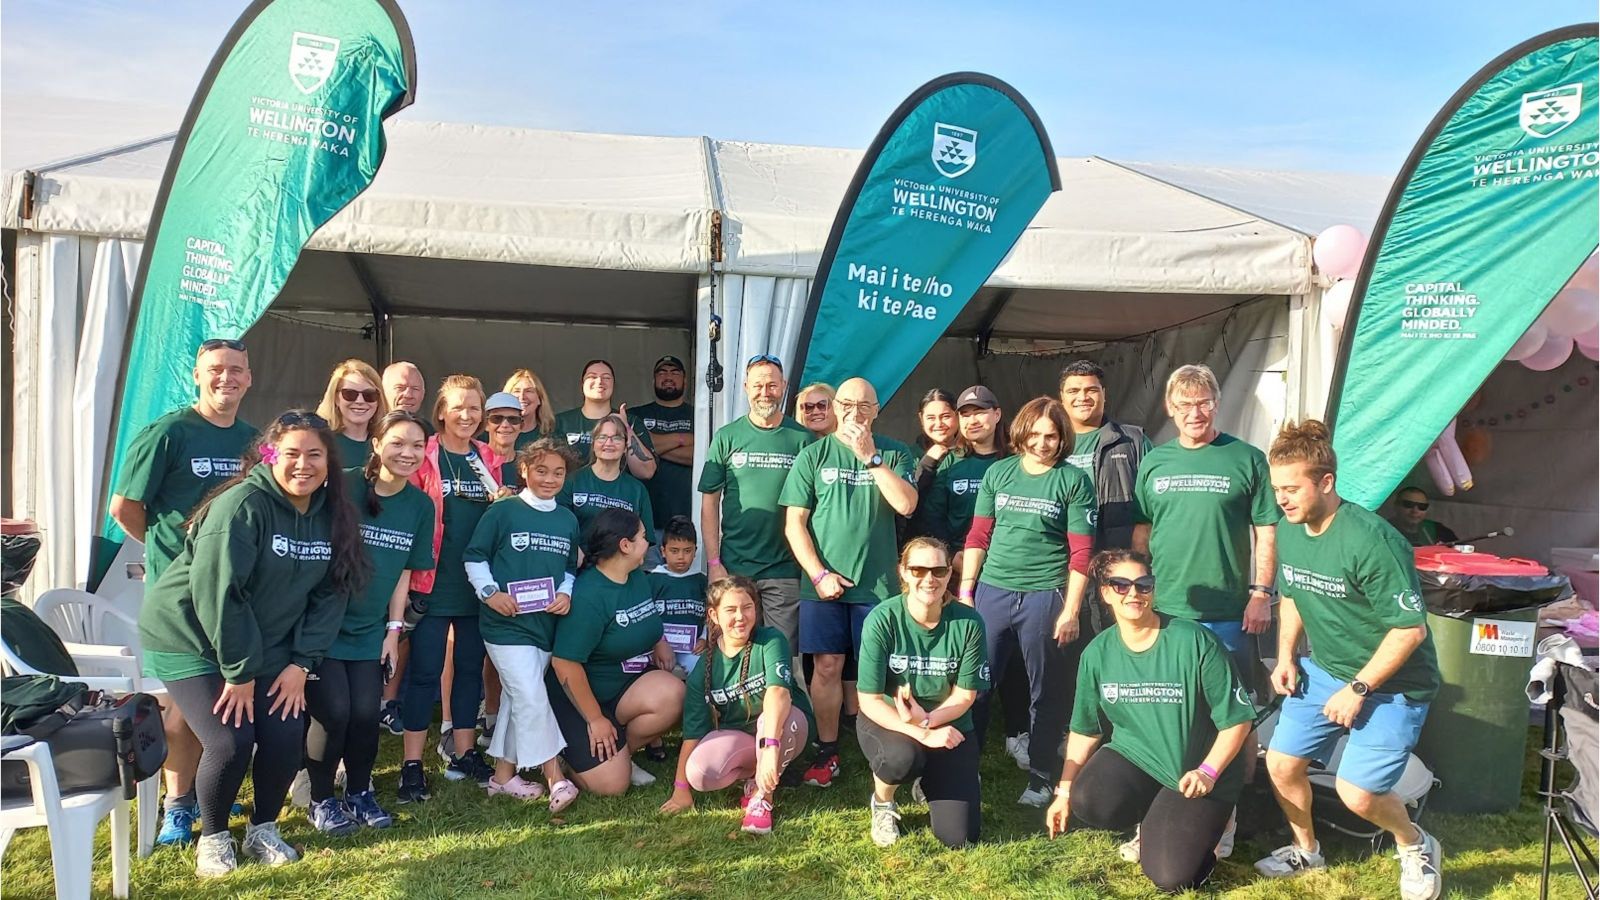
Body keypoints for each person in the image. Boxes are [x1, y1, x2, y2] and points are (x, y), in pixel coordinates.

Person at [136, 410, 369, 877]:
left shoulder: (331, 514)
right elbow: (219, 594)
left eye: (315, 455)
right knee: (229, 739)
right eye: (291, 454)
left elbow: (332, 593)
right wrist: (240, 673)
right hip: (192, 637)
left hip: (267, 640)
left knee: (284, 734)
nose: (303, 465)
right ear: (269, 455)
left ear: (329, 461)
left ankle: (263, 829)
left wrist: (302, 663)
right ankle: (214, 837)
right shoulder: (242, 505)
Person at [1255, 421, 1442, 900]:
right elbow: (1292, 593)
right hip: (1325, 672)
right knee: (1280, 763)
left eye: (1292, 488)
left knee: (1359, 794)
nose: (1283, 499)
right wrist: (1286, 656)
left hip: (1393, 685)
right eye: (1278, 489)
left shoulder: (1373, 541)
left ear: (1326, 482)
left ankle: (1414, 844)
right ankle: (1307, 851)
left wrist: (1358, 689)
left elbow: (1410, 629)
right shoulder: (1289, 530)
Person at [109, 337, 255, 848]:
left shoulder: (253, 441)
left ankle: (205, 787)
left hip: (230, 596)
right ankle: (177, 804)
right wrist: (167, 560)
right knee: (179, 703)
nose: (226, 379)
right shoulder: (169, 432)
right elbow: (125, 507)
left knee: (215, 702)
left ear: (249, 378)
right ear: (197, 375)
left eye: (236, 370)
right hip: (177, 602)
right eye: (216, 369)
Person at [1045, 549, 1255, 895]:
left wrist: (1209, 772)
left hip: (1199, 771)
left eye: (1144, 585)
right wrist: (1063, 791)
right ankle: (1156, 816)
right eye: (1122, 584)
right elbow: (1085, 728)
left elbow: (1237, 720)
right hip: (1139, 757)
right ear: (1105, 592)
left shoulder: (1193, 640)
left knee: (1170, 876)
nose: (1134, 593)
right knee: (1089, 800)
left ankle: (1220, 819)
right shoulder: (1097, 653)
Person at [780, 377, 918, 788]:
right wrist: (819, 575)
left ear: (876, 411)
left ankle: (896, 749)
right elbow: (794, 524)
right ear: (836, 406)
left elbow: (907, 504)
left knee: (883, 670)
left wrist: (871, 458)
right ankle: (828, 750)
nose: (855, 413)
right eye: (848, 404)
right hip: (823, 587)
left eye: (865, 406)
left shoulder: (894, 452)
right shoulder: (813, 454)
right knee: (826, 666)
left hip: (877, 587)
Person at [958, 396, 1095, 807]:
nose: (1042, 443)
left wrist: (1071, 610)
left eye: (1051, 436)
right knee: (975, 685)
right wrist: (966, 591)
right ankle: (963, 770)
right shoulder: (1000, 473)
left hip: (1045, 595)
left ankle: (1039, 777)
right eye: (1034, 434)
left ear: (1062, 438)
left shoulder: (1073, 481)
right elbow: (978, 537)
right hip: (993, 591)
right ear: (1020, 433)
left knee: (1045, 690)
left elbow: (1081, 555)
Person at [304, 411, 433, 835]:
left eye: (417, 445)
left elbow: (403, 574)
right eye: (397, 442)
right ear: (376, 444)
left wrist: (394, 632)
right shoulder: (343, 485)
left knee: (365, 713)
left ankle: (359, 792)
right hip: (323, 623)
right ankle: (320, 799)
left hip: (369, 630)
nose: (408, 453)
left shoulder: (419, 505)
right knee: (334, 712)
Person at [1133, 364, 1279, 694]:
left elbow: (1267, 533)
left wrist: (1261, 595)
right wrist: (1141, 590)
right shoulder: (1154, 461)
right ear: (1170, 408)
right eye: (1185, 404)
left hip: (1229, 608)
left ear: (1217, 403)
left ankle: (1241, 748)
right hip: (1168, 605)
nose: (1195, 413)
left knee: (1237, 700)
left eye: (1204, 403)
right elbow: (1142, 530)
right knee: (1175, 693)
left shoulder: (1248, 459)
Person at [397, 375, 509, 802]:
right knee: (425, 673)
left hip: (476, 586)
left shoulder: (487, 457)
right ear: (441, 411)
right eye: (459, 407)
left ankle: (464, 753)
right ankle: (411, 764)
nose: (467, 415)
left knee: (468, 671)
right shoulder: (425, 454)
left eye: (475, 408)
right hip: (431, 582)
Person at [464, 438, 583, 811]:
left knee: (520, 699)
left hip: (544, 627)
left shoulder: (566, 519)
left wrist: (565, 593)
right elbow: (474, 557)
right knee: (532, 696)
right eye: (542, 470)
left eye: (558, 472)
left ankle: (502, 778)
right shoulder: (504, 511)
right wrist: (489, 593)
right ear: (525, 471)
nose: (550, 479)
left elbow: (568, 568)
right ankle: (555, 777)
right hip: (505, 625)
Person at [856, 537, 990, 849]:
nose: (929, 579)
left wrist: (928, 720)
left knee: (959, 837)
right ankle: (883, 803)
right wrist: (922, 732)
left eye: (938, 570)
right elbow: (870, 700)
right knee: (900, 758)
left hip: (949, 723)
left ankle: (928, 780)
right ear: (902, 572)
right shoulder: (882, 618)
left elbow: (965, 697)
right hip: (890, 720)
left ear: (948, 574)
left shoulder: (969, 622)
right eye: (918, 570)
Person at [660, 575, 815, 834]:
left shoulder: (771, 640)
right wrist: (681, 790)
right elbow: (693, 731)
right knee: (699, 772)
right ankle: (753, 776)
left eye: (747, 607)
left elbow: (778, 693)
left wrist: (770, 746)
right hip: (742, 738)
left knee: (772, 719)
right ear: (714, 615)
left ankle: (762, 798)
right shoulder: (705, 667)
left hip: (785, 727)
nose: (741, 617)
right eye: (731, 610)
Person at [547, 508, 685, 795]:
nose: (648, 544)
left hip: (624, 686)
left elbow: (645, 616)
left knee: (674, 694)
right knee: (613, 786)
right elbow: (564, 663)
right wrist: (595, 719)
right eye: (644, 537)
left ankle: (620, 751)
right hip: (580, 697)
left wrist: (659, 640)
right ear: (625, 546)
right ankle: (571, 754)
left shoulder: (635, 576)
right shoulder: (589, 595)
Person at [700, 355, 815, 650]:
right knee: (732, 651)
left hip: (785, 569)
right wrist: (714, 563)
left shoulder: (803, 439)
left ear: (784, 386)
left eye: (772, 385)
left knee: (780, 655)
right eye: (758, 385)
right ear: (746, 387)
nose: (765, 392)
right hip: (734, 566)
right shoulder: (727, 436)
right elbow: (709, 504)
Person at [1057, 360, 1152, 634]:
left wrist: (1140, 555)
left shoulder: (1133, 441)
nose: (1082, 397)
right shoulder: (1049, 443)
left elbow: (1154, 504)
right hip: (1063, 566)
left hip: (1121, 566)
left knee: (1120, 638)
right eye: (1073, 391)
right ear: (1061, 397)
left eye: (1091, 389)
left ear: (1104, 393)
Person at [560, 415, 658, 546]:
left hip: (622, 564)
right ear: (593, 444)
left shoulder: (637, 490)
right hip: (579, 563)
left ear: (625, 448)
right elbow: (561, 529)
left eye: (617, 438)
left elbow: (645, 541)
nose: (609, 443)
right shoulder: (572, 481)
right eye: (602, 437)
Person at [552, 359, 657, 476]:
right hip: (571, 493)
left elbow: (647, 472)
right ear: (582, 384)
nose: (599, 381)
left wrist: (626, 428)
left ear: (614, 385)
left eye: (606, 377)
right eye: (592, 377)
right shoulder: (561, 422)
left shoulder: (631, 422)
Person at [635, 355, 695, 532]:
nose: (668, 377)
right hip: (644, 524)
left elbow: (700, 455)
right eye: (662, 372)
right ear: (654, 380)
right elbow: (628, 449)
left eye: (675, 372)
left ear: (685, 380)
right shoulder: (636, 415)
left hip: (688, 521)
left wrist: (646, 446)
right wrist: (682, 439)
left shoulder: (700, 416)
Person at [650, 516, 709, 675]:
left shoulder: (702, 581)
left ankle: (695, 701)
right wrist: (657, 642)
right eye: (674, 551)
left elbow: (710, 615)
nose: (681, 557)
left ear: (695, 551)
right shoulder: (652, 580)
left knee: (702, 673)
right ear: (663, 551)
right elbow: (646, 617)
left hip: (692, 648)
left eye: (687, 550)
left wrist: (704, 638)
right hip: (657, 646)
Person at [903, 388, 959, 543]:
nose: (938, 424)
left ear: (958, 415)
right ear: (921, 419)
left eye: (945, 416)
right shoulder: (908, 454)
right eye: (931, 418)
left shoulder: (971, 455)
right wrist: (928, 462)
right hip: (917, 543)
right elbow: (905, 499)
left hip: (961, 545)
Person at [316, 358, 388, 467]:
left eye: (369, 395)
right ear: (336, 398)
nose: (359, 401)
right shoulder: (320, 442)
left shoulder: (388, 443)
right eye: (350, 394)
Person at [482, 391, 527, 490]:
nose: (505, 425)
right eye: (497, 418)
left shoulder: (530, 464)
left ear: (521, 426)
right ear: (486, 424)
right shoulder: (475, 461)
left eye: (513, 419)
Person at [1387, 486, 1459, 547]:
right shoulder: (1384, 530)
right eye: (1408, 504)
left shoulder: (1439, 530)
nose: (1415, 510)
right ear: (1396, 506)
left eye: (1422, 506)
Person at [505, 368, 558, 448]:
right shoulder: (493, 435)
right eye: (517, 391)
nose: (522, 397)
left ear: (540, 399)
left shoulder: (552, 436)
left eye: (529, 391)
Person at [381, 361, 429, 435]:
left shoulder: (431, 435)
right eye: (400, 388)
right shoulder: (367, 431)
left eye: (415, 389)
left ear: (423, 393)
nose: (408, 395)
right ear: (383, 390)